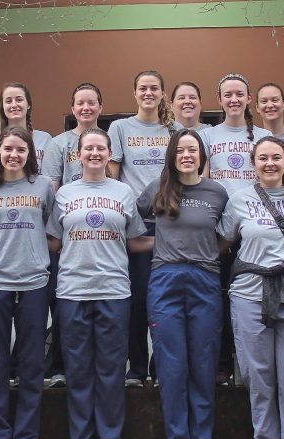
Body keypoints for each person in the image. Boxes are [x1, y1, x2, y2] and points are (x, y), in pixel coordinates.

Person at [48, 128, 150, 439]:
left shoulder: (123, 192)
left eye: (100, 149)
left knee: (109, 368)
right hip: (73, 290)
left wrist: (173, 243)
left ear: (109, 155)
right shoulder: (64, 194)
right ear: (78, 154)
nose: (94, 153)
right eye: (88, 148)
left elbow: (135, 241)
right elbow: (53, 240)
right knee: (78, 368)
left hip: (114, 290)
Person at [218, 136, 284, 439]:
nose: (270, 163)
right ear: (253, 163)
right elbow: (224, 242)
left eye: (276, 157)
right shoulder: (239, 201)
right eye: (263, 158)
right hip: (249, 295)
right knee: (258, 375)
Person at [137, 129, 227, 439]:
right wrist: (157, 245)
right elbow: (133, 223)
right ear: (172, 156)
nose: (187, 155)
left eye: (193, 150)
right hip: (165, 280)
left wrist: (205, 253)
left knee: (203, 363)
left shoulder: (217, 193)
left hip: (205, 278)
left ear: (202, 156)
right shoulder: (157, 189)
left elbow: (229, 233)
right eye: (181, 150)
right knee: (172, 365)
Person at [0, 127, 55, 439]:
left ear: (31, 154)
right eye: (8, 149)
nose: (14, 155)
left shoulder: (45, 186)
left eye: (21, 150)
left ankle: (26, 437)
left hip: (35, 280)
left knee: (31, 361)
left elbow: (50, 229)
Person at [202, 74, 274, 386]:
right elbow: (202, 180)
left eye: (240, 94)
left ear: (249, 99)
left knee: (252, 303)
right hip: (217, 231)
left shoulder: (263, 135)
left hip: (252, 230)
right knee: (217, 301)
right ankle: (221, 364)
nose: (234, 99)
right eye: (227, 95)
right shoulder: (207, 136)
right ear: (219, 100)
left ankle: (249, 367)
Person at [108, 70, 175, 388]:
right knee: (135, 299)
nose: (148, 93)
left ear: (163, 93)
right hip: (133, 223)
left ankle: (159, 365)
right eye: (142, 88)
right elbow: (114, 174)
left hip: (169, 222)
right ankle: (136, 368)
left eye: (154, 88)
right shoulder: (120, 127)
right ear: (134, 92)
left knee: (163, 299)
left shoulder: (174, 129)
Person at [41, 82, 105, 389]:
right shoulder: (58, 144)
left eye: (91, 103)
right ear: (73, 108)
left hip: (98, 230)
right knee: (61, 303)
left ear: (100, 108)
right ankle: (59, 366)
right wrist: (56, 226)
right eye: (80, 103)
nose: (86, 108)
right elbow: (51, 186)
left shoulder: (106, 140)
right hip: (66, 228)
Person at [0, 82, 53, 185]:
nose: (14, 105)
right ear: (3, 107)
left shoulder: (45, 139)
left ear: (28, 105)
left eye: (19, 100)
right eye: (8, 101)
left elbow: (49, 179)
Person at [255, 83, 284, 151]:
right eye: (264, 101)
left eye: (275, 100)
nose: (270, 105)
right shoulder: (252, 140)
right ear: (257, 107)